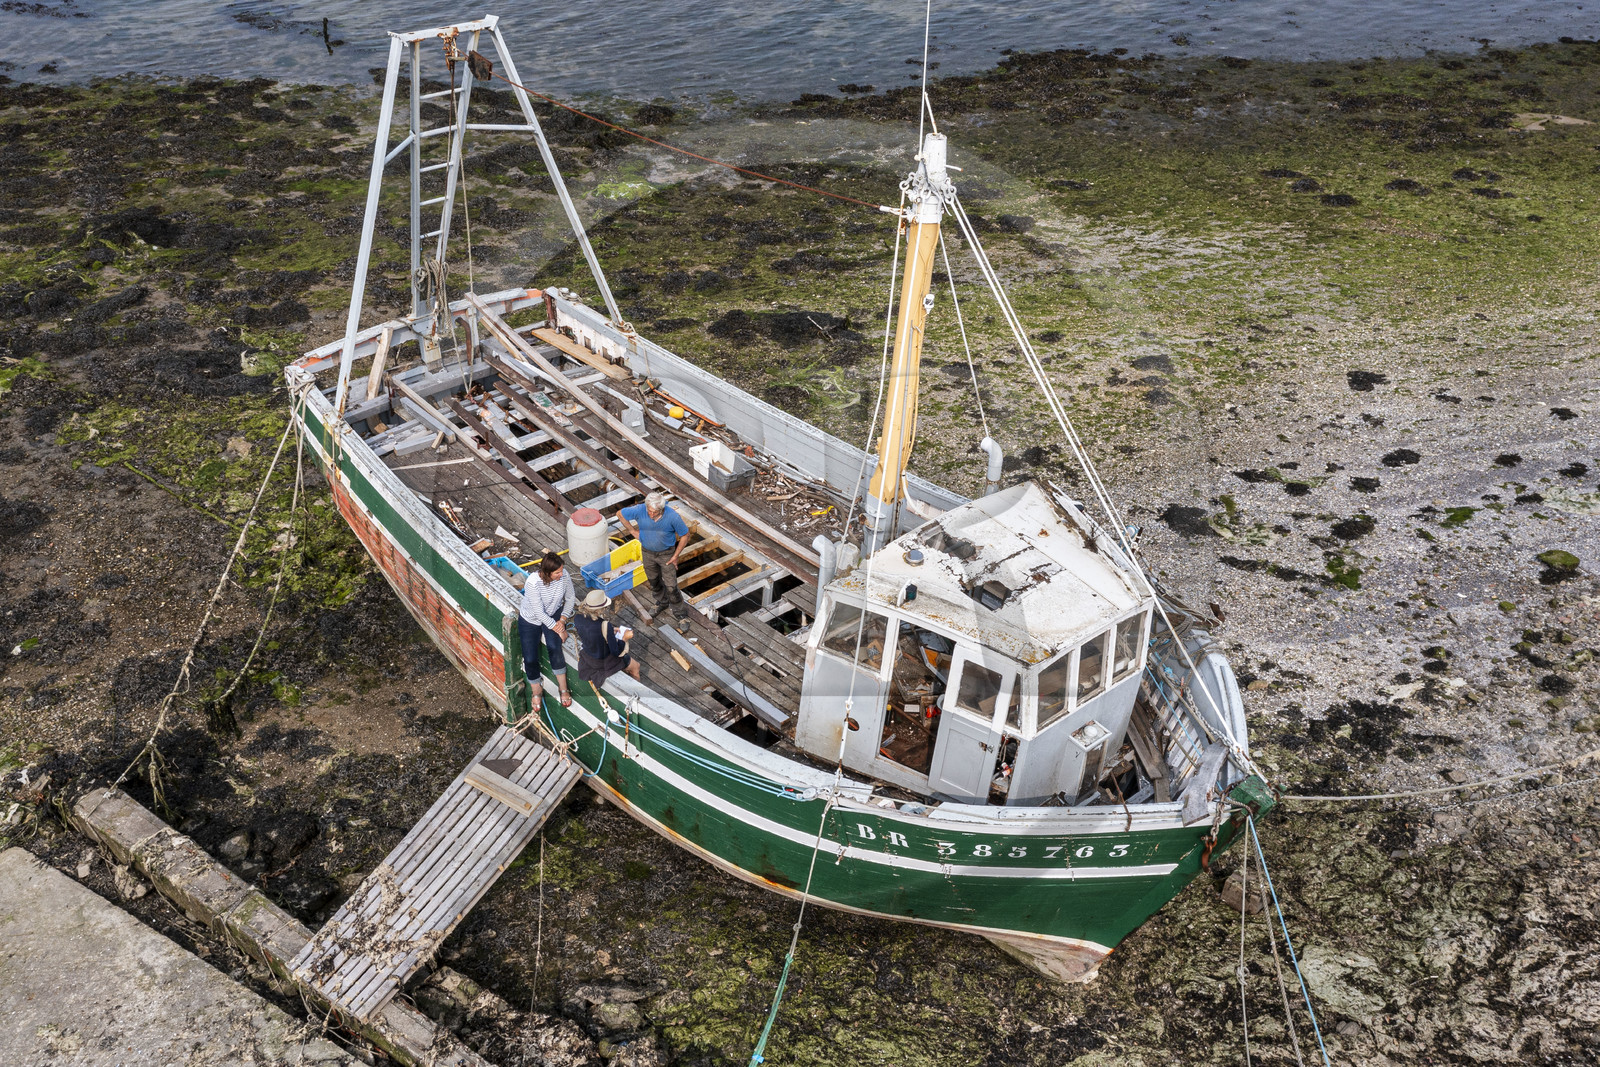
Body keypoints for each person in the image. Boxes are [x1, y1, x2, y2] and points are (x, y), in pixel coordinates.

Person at [617, 491, 690, 625]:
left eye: (654, 512)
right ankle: (661, 602)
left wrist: (675, 556)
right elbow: (620, 514)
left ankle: (680, 614)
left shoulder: (673, 517)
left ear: (661, 509)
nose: (651, 514)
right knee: (653, 580)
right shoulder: (640, 510)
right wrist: (633, 531)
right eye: (649, 511)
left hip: (666, 554)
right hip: (647, 552)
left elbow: (685, 535)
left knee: (671, 586)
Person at [519, 551, 574, 707]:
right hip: (531, 618)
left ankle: (563, 688)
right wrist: (559, 629)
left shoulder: (564, 577)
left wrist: (562, 620)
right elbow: (539, 613)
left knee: (555, 648)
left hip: (554, 613)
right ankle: (536, 690)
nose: (561, 574)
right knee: (530, 657)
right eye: (557, 572)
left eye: (562, 570)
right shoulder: (533, 583)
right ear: (547, 573)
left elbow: (570, 598)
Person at [573, 588, 641, 688]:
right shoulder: (604, 625)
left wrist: (610, 631)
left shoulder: (577, 618)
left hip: (588, 656)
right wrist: (625, 638)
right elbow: (616, 652)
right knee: (636, 667)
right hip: (602, 662)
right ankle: (638, 691)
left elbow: (592, 632)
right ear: (599, 609)